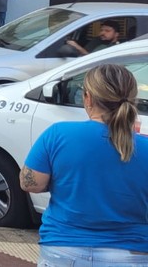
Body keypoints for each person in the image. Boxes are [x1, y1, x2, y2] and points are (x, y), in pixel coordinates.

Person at [20, 64, 148, 266]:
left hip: (63, 249)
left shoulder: (58, 134)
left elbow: (30, 184)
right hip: (130, 253)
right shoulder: (145, 147)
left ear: (88, 98)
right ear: (132, 99)